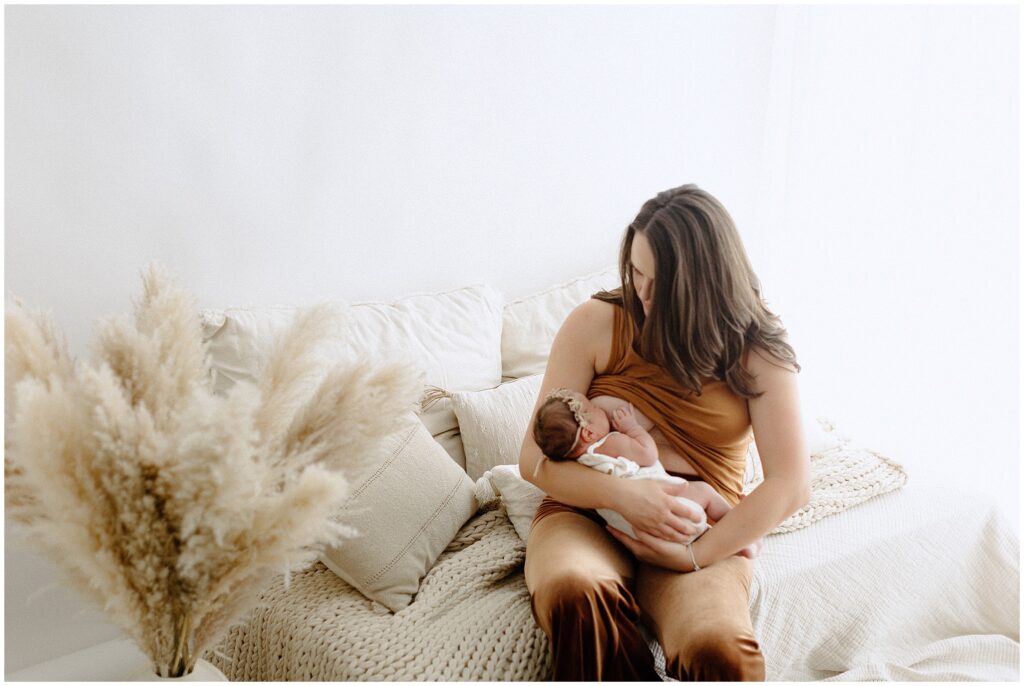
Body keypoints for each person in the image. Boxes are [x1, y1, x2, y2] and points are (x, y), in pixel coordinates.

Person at [519, 184, 809, 681]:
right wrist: (625, 498)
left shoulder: (757, 348)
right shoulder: (596, 322)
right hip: (590, 507)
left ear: (705, 284)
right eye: (636, 272)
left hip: (696, 521)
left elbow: (791, 484)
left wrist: (696, 553)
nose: (643, 295)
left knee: (721, 653)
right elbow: (532, 459)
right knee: (574, 591)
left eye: (662, 283)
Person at [531, 388, 764, 562]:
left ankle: (717, 538)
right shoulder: (611, 443)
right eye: (593, 410)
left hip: (638, 531)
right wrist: (633, 428)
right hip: (668, 508)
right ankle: (742, 534)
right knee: (704, 492)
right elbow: (648, 455)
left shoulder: (580, 465)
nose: (598, 408)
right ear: (589, 432)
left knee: (696, 530)